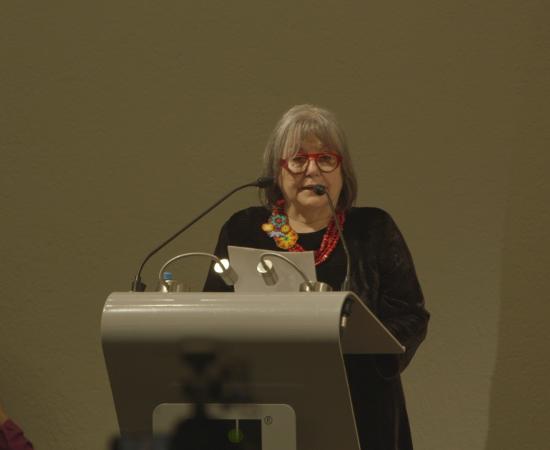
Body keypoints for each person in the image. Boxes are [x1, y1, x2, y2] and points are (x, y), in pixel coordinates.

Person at [203, 104, 430, 449]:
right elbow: (212, 314)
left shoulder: (372, 229)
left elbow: (411, 315)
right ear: (277, 172)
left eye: (325, 159)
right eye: (298, 159)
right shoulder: (244, 229)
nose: (312, 170)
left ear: (342, 170)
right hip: (267, 405)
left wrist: (363, 343)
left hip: (361, 405)